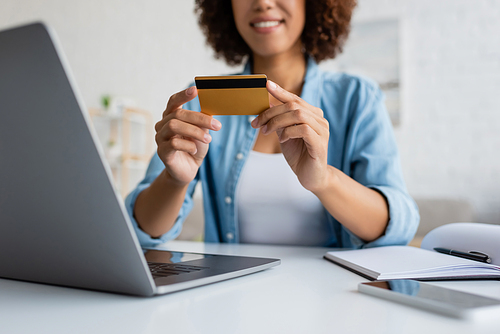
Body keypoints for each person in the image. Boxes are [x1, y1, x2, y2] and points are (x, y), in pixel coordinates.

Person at [125, 0, 419, 248]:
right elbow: (142, 231)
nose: (263, 2)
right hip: (228, 303)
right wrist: (174, 180)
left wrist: (323, 180)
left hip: (335, 305)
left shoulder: (357, 98)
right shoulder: (201, 101)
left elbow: (399, 226)